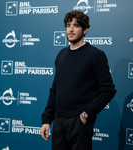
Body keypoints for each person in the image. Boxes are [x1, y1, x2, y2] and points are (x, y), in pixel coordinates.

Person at [40, 10, 116, 150]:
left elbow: (108, 90)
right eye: (68, 25)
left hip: (79, 122)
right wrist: (47, 120)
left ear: (85, 29)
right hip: (59, 121)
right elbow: (55, 89)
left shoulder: (95, 55)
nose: (71, 29)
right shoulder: (61, 55)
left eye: (76, 25)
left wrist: (87, 114)